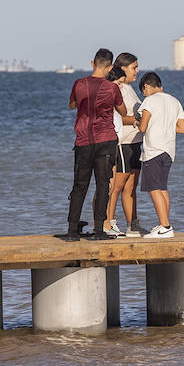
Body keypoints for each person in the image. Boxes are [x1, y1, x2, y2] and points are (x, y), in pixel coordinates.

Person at [64, 48, 129, 240]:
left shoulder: (79, 84)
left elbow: (72, 105)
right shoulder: (112, 88)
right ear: (110, 68)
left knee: (79, 186)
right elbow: (123, 111)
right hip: (105, 140)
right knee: (103, 185)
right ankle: (100, 230)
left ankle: (72, 230)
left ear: (92, 63)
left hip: (83, 140)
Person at [134, 71, 184, 238]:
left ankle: (165, 226)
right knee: (162, 188)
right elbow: (182, 129)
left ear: (147, 86)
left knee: (154, 189)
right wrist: (164, 127)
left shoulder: (150, 101)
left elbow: (142, 127)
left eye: (144, 91)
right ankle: (164, 224)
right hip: (169, 150)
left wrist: (135, 121)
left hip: (154, 150)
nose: (144, 95)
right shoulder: (174, 101)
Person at [104, 52, 144, 237]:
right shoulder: (117, 88)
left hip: (136, 142)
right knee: (116, 187)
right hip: (123, 142)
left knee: (131, 188)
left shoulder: (129, 88)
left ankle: (132, 225)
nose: (137, 71)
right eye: (134, 67)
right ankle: (108, 223)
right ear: (123, 68)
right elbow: (117, 117)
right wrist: (138, 120)